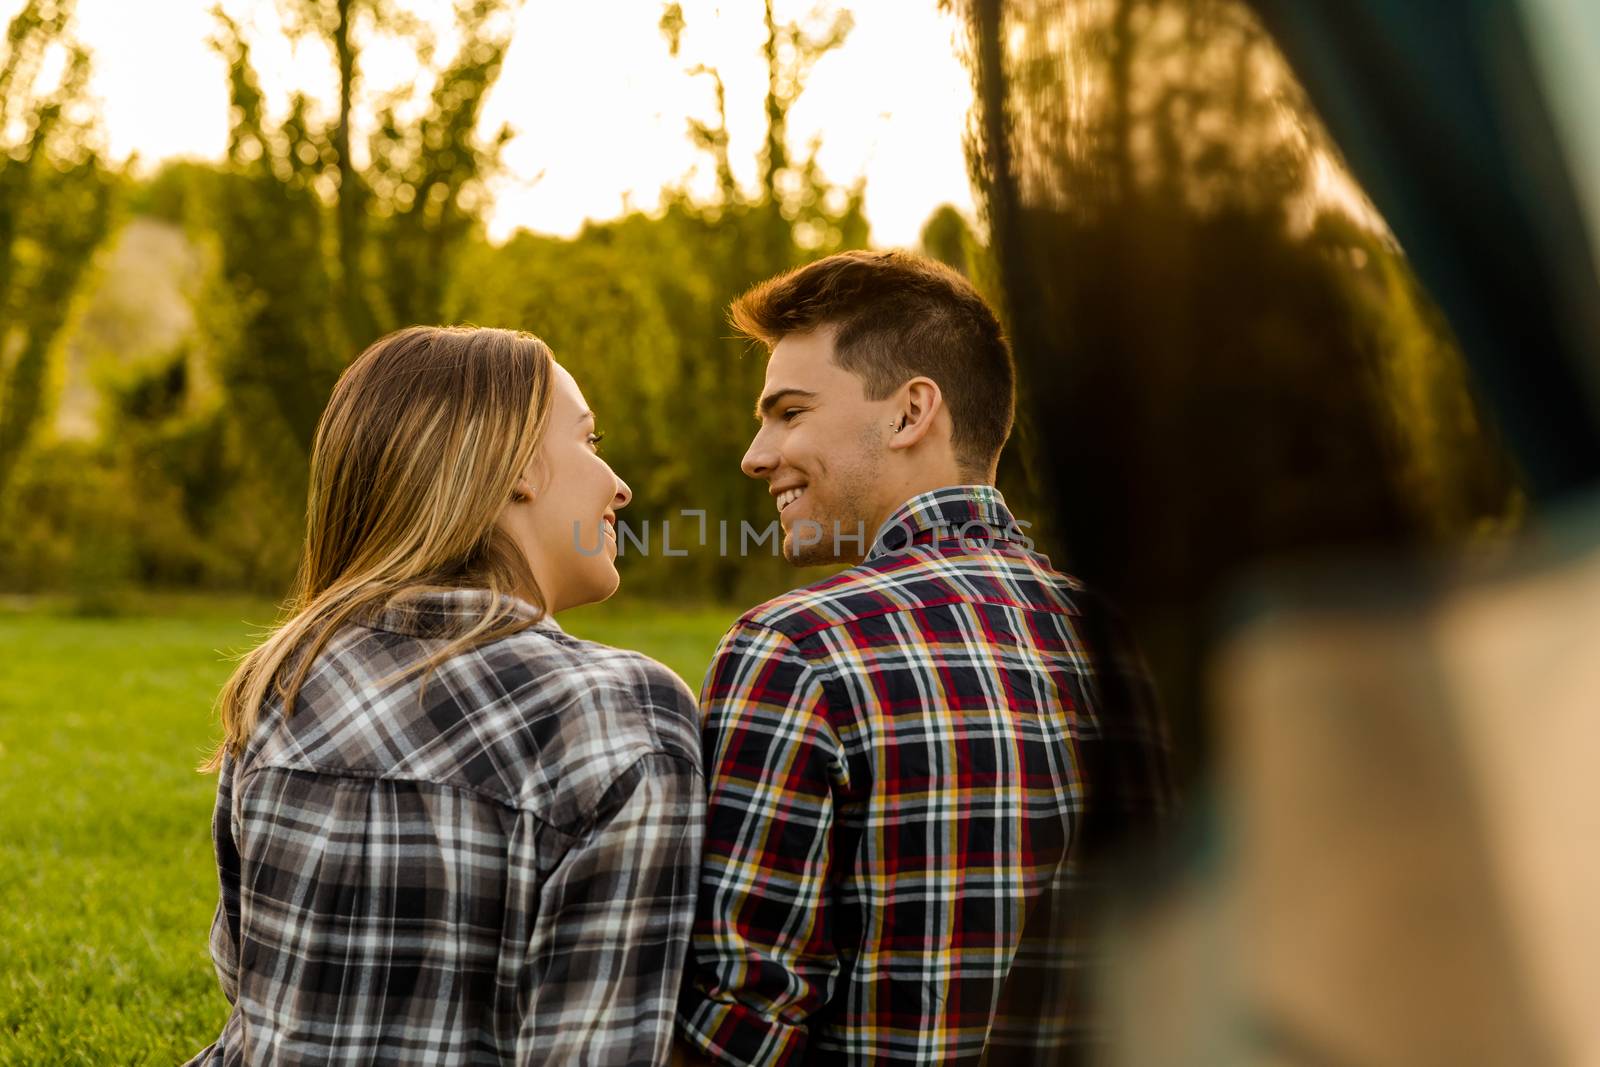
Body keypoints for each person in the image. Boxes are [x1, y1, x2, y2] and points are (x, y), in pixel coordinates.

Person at [675, 252, 1173, 1066]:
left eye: (789, 412)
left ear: (910, 413)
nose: (755, 455)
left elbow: (739, 1033)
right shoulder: (1128, 645)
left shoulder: (799, 651)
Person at [186, 326, 703, 1067]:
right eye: (589, 442)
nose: (618, 484)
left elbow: (247, 983)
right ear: (519, 466)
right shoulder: (620, 710)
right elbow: (598, 1042)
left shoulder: (284, 677)